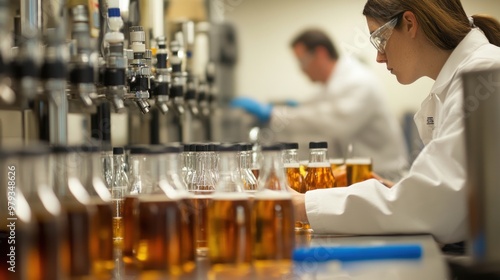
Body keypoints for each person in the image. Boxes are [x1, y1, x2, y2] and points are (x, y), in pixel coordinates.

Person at [291, 0, 500, 245]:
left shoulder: (486, 74)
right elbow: (451, 192)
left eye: (379, 39)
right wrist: (400, 191)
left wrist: (302, 205)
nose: (379, 57)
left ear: (410, 24)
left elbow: (433, 206)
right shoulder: (461, 79)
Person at [231, 29, 409, 181]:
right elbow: (314, 109)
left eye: (302, 61)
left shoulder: (357, 81)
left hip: (385, 177)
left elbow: (330, 122)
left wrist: (273, 114)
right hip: (364, 175)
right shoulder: (335, 84)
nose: (301, 69)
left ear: (321, 54)